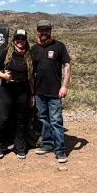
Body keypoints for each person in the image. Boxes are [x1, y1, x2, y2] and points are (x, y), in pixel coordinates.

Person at [31, 20, 71, 163]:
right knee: (43, 119)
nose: (44, 32)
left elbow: (67, 65)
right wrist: (32, 92)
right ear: (37, 31)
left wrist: (65, 86)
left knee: (56, 121)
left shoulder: (59, 46)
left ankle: (60, 150)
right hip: (39, 91)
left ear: (50, 31)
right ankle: (47, 144)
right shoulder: (34, 48)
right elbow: (30, 72)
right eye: (41, 30)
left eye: (46, 30)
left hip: (54, 92)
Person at [0, 29, 34, 160]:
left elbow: (31, 77)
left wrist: (32, 94)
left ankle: (20, 147)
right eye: (17, 38)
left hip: (23, 90)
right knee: (4, 118)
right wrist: (4, 76)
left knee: (21, 120)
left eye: (22, 38)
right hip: (7, 90)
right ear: (13, 39)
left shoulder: (28, 55)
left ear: (25, 40)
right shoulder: (6, 53)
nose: (19, 41)